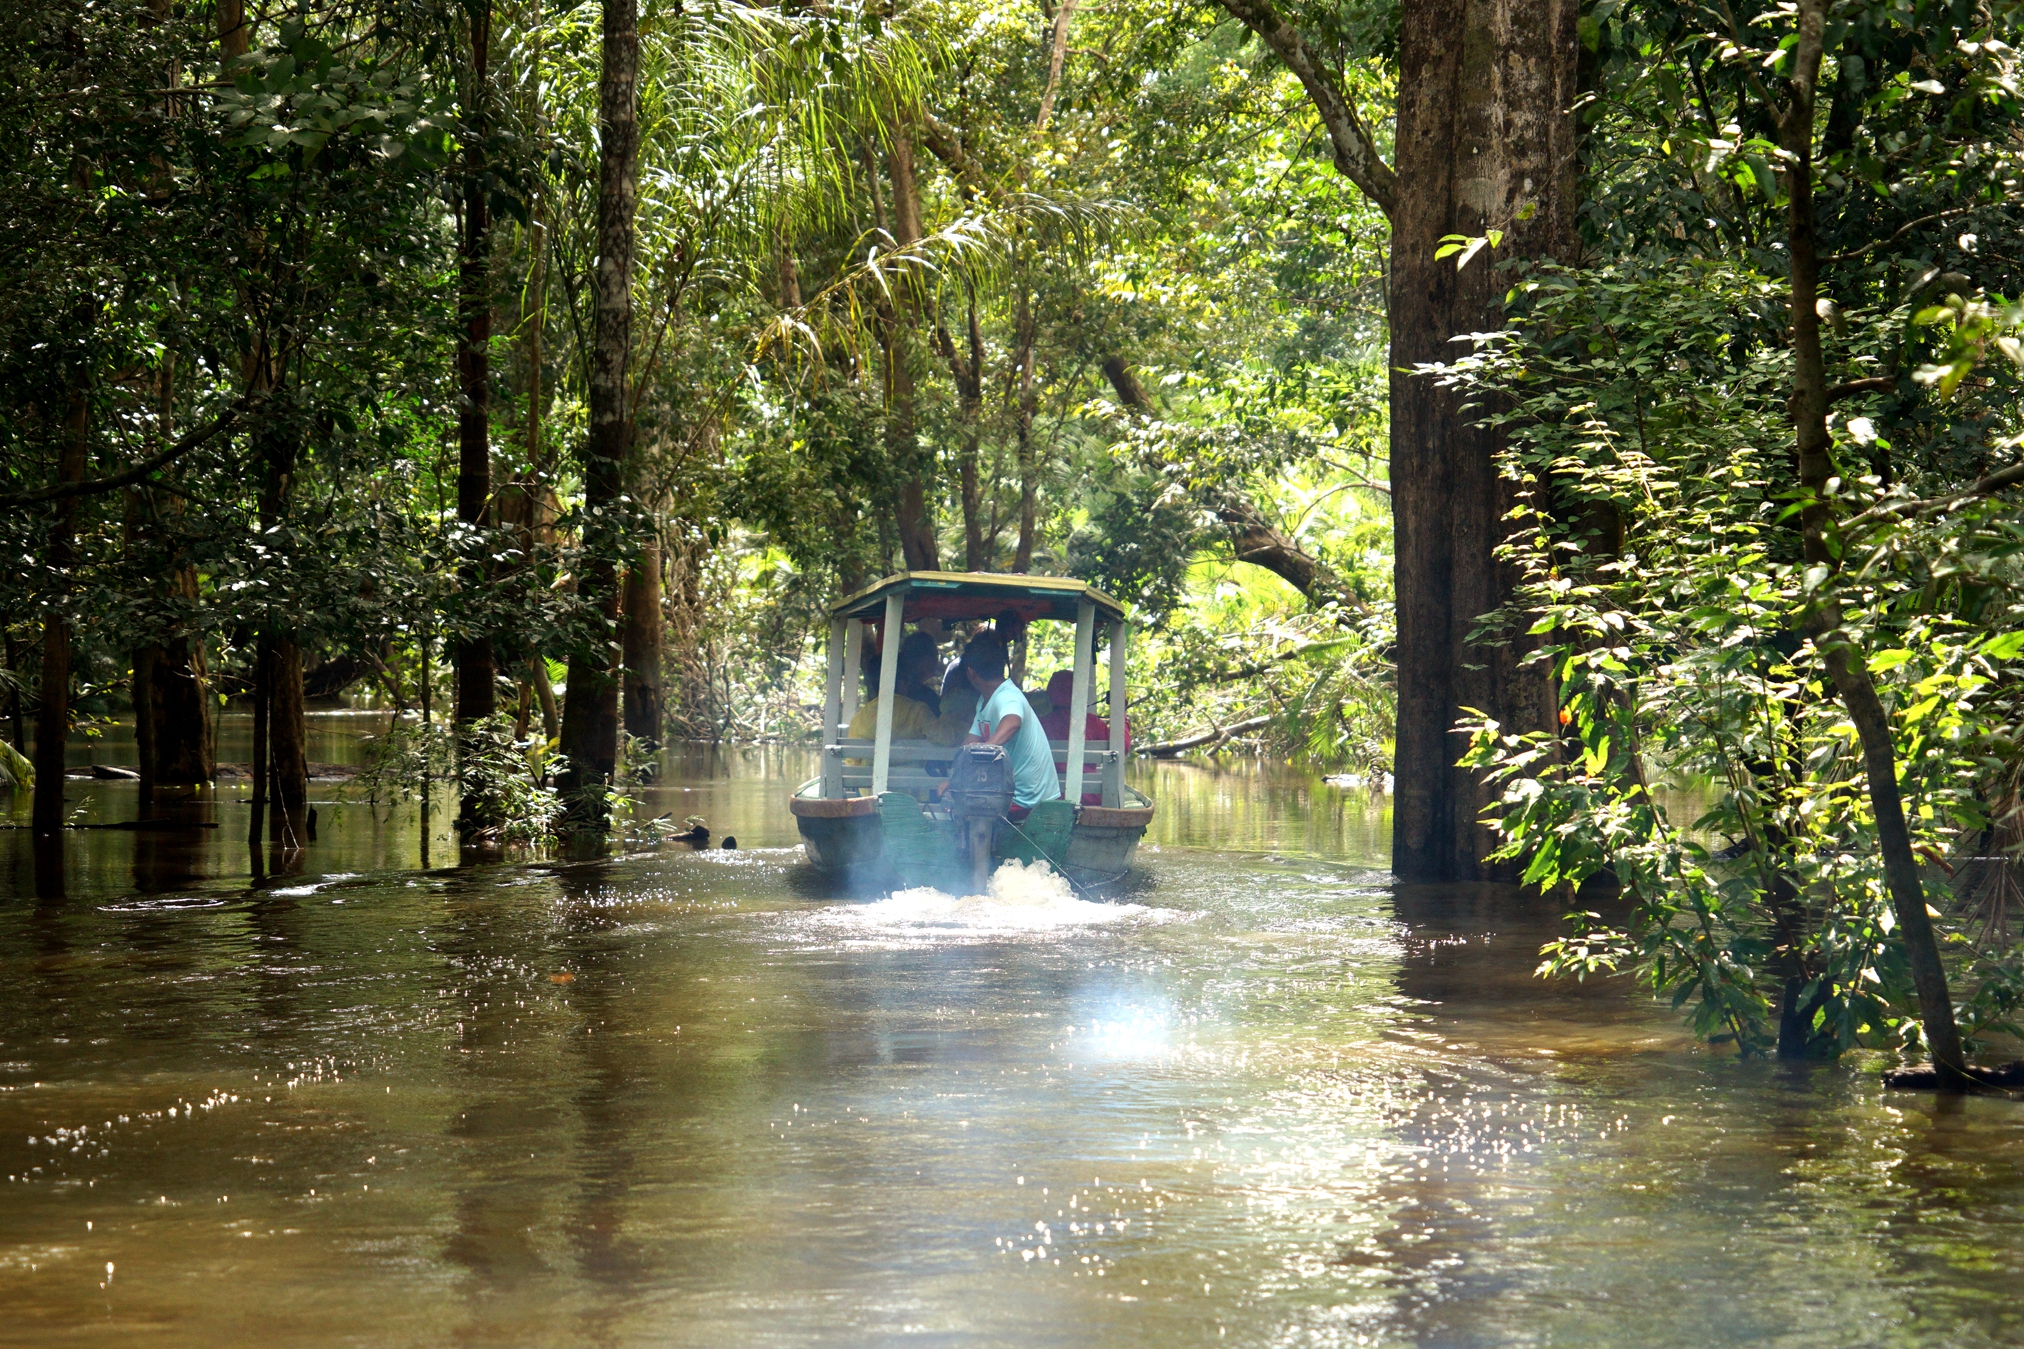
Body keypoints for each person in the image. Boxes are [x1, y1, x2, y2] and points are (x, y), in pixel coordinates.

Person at [961, 631, 1061, 819]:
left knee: (971, 809)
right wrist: (954, 781)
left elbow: (1013, 722)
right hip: (1009, 792)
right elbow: (968, 744)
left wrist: (986, 750)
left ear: (970, 672)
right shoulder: (984, 701)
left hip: (1028, 799)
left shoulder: (1008, 696)